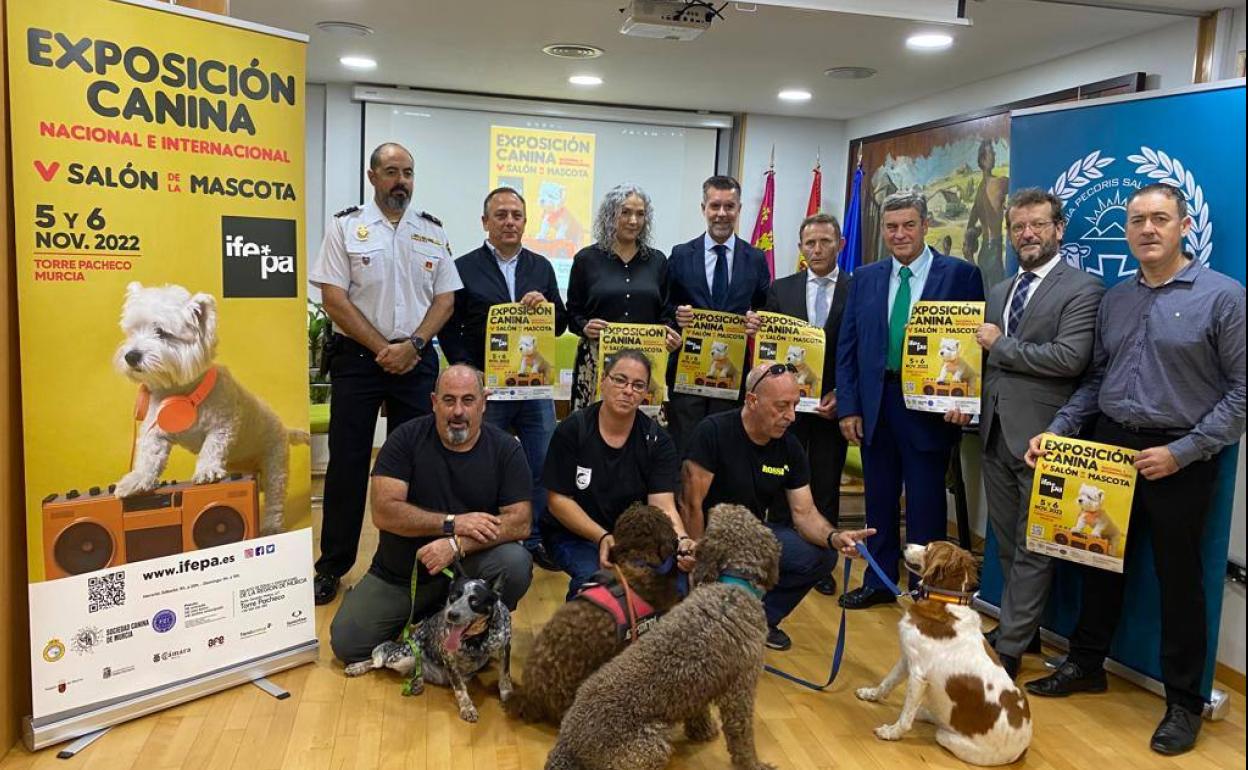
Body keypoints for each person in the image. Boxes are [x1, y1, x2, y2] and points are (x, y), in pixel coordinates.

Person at [1023, 184, 1245, 756]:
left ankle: (1183, 703)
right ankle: (1086, 664)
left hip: (1180, 456)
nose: (1148, 229)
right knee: (1095, 562)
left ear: (1184, 226)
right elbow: (1097, 379)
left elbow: (1242, 393)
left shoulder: (1223, 297)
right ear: (1126, 230)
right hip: (1109, 445)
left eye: (1160, 219)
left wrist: (1185, 451)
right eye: (1137, 220)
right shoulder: (1117, 299)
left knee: (1180, 582)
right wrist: (1060, 429)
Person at [309, 142, 462, 605]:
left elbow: (445, 299)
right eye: (392, 172)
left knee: (417, 464)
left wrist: (413, 346)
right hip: (359, 359)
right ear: (372, 176)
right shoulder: (345, 227)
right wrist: (383, 349)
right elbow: (334, 298)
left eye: (408, 173)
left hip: (416, 359)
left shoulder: (431, 231)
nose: (402, 181)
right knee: (348, 464)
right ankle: (332, 565)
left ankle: (408, 562)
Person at [975, 188, 1104, 679]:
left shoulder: (1083, 289)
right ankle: (1021, 629)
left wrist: (1001, 345)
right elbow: (989, 366)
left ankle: (1009, 648)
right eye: (1018, 227)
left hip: (1043, 437)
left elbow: (1069, 359)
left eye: (1037, 225)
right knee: (1007, 543)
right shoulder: (1001, 290)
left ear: (1059, 229)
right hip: (994, 434)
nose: (1027, 234)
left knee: (1034, 547)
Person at [835, 191, 985, 610]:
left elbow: (973, 347)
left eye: (908, 225)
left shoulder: (960, 275)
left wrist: (966, 404)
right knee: (879, 500)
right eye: (891, 227)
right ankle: (879, 580)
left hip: (930, 406)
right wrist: (849, 406)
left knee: (925, 502)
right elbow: (848, 347)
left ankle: (929, 589)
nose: (899, 234)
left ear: (925, 226)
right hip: (876, 401)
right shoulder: (865, 277)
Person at [328, 365, 535, 664]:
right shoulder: (404, 439)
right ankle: (428, 626)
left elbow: (520, 522)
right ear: (434, 402)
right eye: (449, 400)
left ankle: (473, 633)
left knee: (515, 562)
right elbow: (384, 512)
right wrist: (452, 524)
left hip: (467, 576)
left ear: (483, 403)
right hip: (400, 574)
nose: (458, 411)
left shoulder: (506, 449)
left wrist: (456, 545)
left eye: (468, 400)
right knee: (347, 644)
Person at [682, 364, 876, 651]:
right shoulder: (713, 431)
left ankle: (761, 621)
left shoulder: (790, 447)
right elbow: (690, 504)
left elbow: (804, 513)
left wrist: (836, 537)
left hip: (752, 535)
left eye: (795, 405)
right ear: (752, 401)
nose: (791, 416)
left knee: (821, 556)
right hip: (707, 536)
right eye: (782, 406)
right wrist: (698, 560)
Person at [439, 187, 568, 570]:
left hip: (533, 389)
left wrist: (546, 309)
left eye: (516, 215)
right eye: (501, 215)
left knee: (541, 462)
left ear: (525, 222)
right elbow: (449, 328)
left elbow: (560, 323)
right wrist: (470, 372)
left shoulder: (541, 267)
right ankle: (484, 535)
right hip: (487, 389)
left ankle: (536, 537)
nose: (509, 222)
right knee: (483, 463)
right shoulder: (462, 267)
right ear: (485, 222)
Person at [542, 349, 692, 599]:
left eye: (638, 385)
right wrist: (602, 536)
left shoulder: (658, 440)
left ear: (645, 393)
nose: (628, 390)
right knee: (597, 584)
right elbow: (557, 501)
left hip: (633, 537)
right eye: (620, 380)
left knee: (675, 580)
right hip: (574, 534)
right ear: (603, 381)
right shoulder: (573, 430)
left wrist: (683, 541)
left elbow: (663, 506)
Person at [763, 213, 852, 596]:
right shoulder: (781, 289)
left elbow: (861, 348)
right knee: (781, 480)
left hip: (833, 406)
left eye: (825, 242)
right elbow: (769, 351)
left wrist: (844, 394)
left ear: (840, 245)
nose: (817, 249)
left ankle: (821, 563)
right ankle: (779, 557)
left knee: (826, 482)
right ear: (800, 247)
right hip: (786, 409)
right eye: (810, 243)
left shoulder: (857, 288)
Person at [666, 175, 771, 456]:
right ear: (704, 208)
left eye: (729, 206)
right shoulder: (680, 255)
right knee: (685, 452)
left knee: (726, 453)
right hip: (688, 377)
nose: (722, 213)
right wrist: (676, 315)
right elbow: (664, 306)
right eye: (715, 206)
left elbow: (766, 307)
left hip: (732, 378)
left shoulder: (755, 258)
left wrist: (757, 320)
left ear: (739, 209)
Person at [566, 184, 680, 410]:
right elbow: (572, 314)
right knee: (592, 426)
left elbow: (667, 312)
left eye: (640, 214)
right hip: (597, 363)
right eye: (625, 212)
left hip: (645, 364)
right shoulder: (586, 259)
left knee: (642, 428)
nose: (633, 221)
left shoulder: (658, 261)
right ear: (610, 215)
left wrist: (669, 333)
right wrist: (585, 326)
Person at [964, 138, 1010, 288]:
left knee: (987, 294)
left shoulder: (980, 190)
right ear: (983, 159)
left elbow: (971, 226)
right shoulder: (1000, 183)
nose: (995, 155)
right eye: (991, 153)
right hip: (993, 249)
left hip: (984, 251)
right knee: (997, 295)